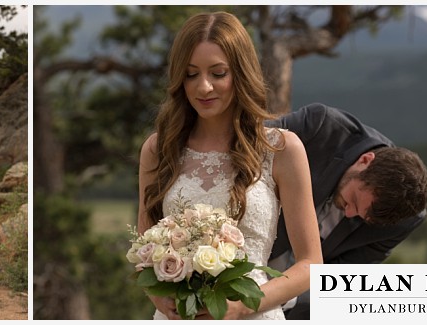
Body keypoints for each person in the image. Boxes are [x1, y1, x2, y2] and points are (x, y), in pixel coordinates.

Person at [137, 12, 323, 320]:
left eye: (218, 73)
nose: (204, 87)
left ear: (240, 72)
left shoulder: (281, 149)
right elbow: (144, 248)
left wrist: (239, 307)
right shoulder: (159, 149)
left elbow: (310, 264)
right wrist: (159, 296)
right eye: (191, 74)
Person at [266, 102, 427, 320]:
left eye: (363, 217)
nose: (351, 213)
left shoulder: (405, 220)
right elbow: (236, 149)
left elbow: (340, 281)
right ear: (365, 161)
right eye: (353, 200)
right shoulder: (320, 127)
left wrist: (281, 295)